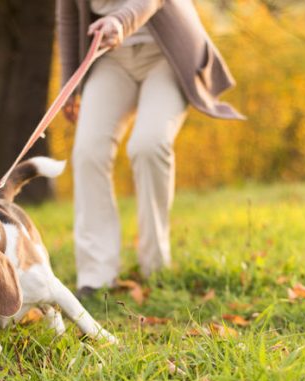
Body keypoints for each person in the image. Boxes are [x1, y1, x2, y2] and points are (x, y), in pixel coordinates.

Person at [56, 0, 244, 297]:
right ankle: (96, 275)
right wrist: (70, 82)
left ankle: (155, 265)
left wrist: (120, 21)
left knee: (149, 144)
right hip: (111, 58)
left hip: (167, 54)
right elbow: (68, 15)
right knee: (88, 152)